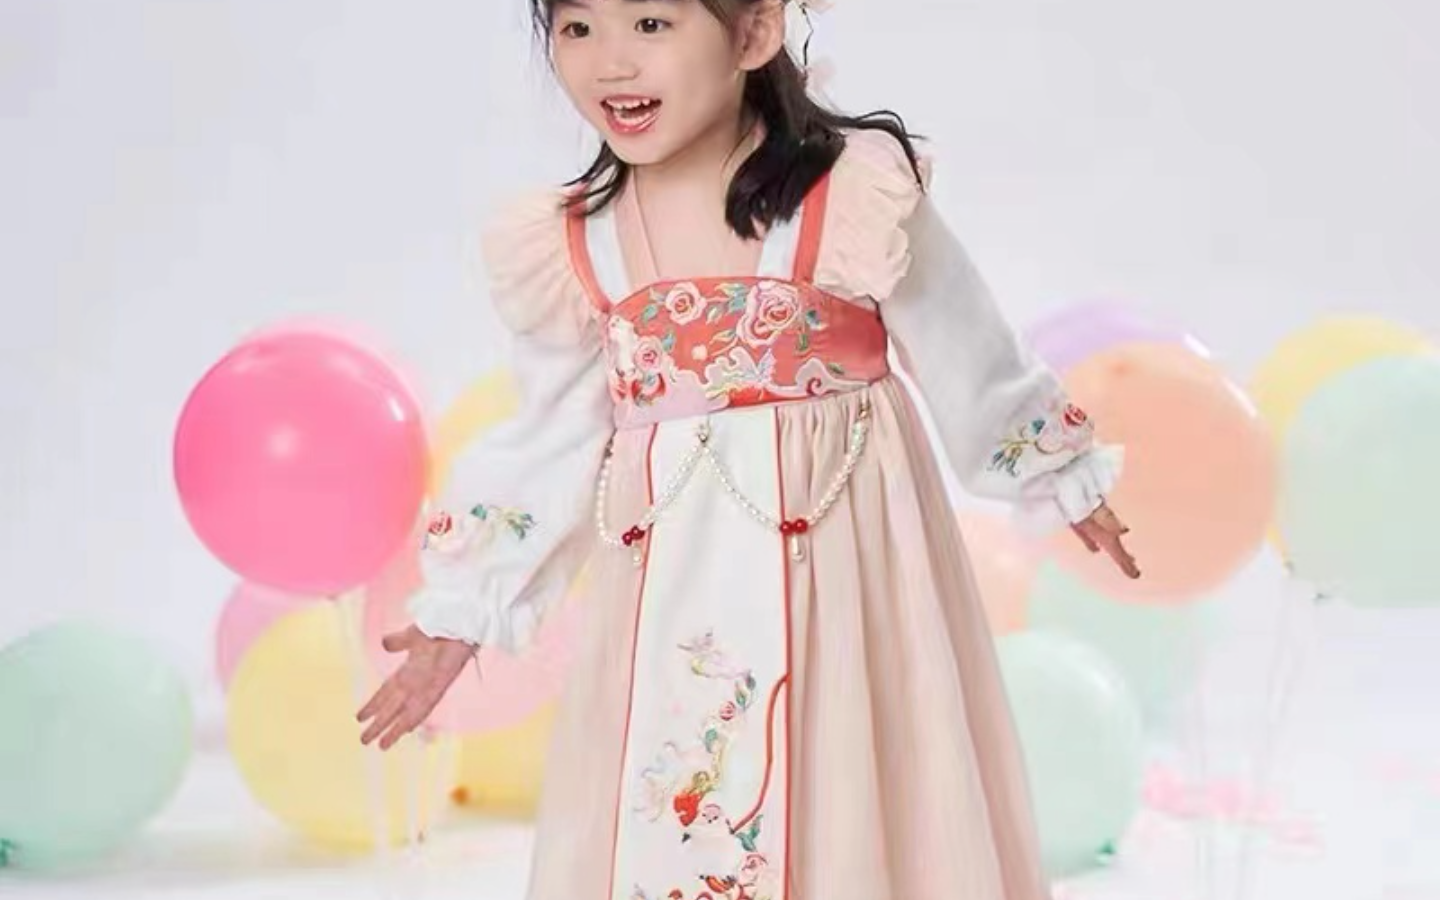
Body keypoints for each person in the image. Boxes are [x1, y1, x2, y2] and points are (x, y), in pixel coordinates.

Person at [358, 1, 1138, 896]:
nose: (611, 62)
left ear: (754, 32)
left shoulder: (848, 197)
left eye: (651, 24)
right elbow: (548, 439)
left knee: (849, 778)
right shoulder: (581, 243)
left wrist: (1056, 466)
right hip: (672, 592)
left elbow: (963, 341)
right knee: (690, 781)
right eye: (577, 29)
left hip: (850, 577)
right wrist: (468, 604)